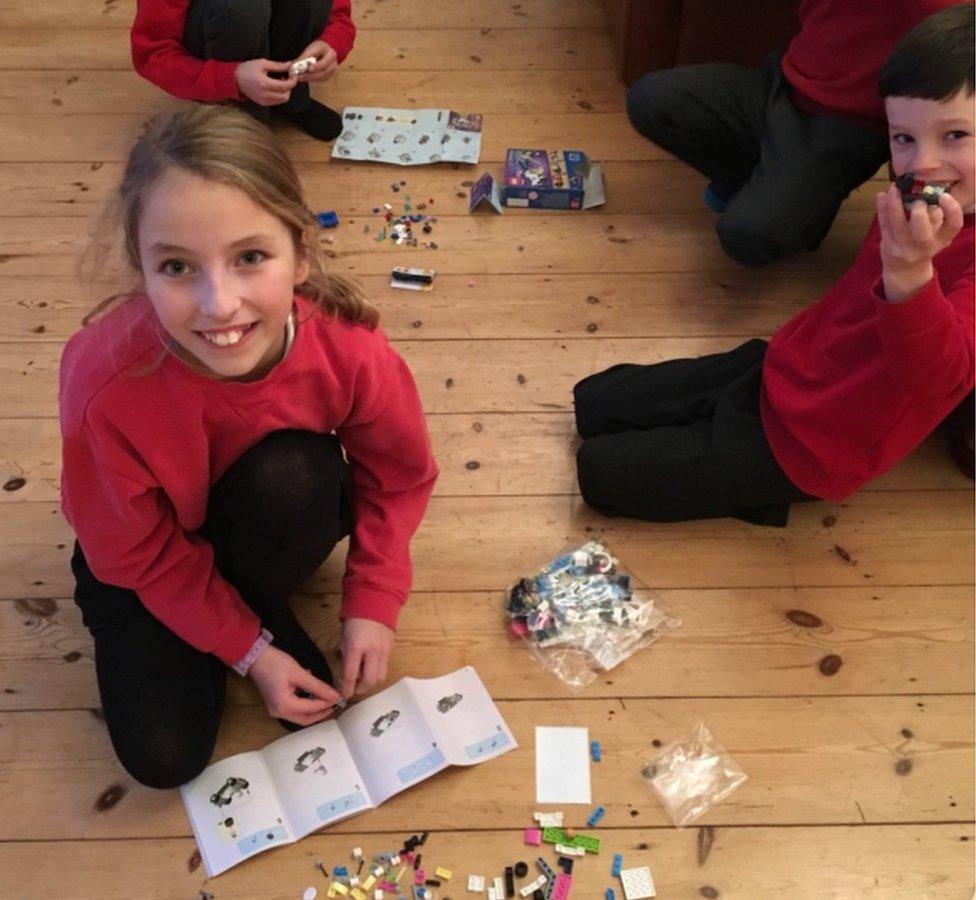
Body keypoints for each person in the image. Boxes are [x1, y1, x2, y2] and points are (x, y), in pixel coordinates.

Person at [59, 104, 437, 788]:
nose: (219, 305)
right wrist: (252, 651)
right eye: (177, 266)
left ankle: (237, 603)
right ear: (139, 268)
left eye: (250, 258)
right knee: (163, 759)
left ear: (300, 253)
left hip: (257, 516)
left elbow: (399, 475)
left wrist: (374, 599)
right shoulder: (103, 384)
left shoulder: (349, 349)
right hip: (143, 559)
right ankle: (233, 615)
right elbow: (133, 549)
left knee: (293, 478)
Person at [575, 4, 974, 525]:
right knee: (593, 401)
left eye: (955, 135)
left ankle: (757, 492)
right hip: (788, 366)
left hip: (818, 446)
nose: (921, 163)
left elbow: (939, 379)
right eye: (904, 138)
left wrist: (911, 276)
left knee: (599, 475)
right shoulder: (926, 198)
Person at [626, 0, 963, 265]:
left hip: (845, 126)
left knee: (747, 235)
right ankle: (765, 180)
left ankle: (805, 208)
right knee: (651, 99)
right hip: (782, 80)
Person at [131, 0, 355, 140]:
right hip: (217, 30)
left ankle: (289, 99)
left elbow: (338, 14)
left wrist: (331, 44)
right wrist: (231, 78)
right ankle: (238, 114)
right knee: (240, 7)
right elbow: (152, 55)